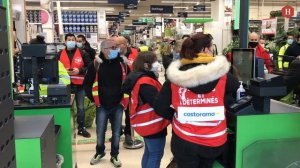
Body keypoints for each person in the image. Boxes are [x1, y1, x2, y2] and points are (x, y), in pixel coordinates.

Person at [153, 33, 239, 168]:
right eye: (211, 48)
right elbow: (236, 86)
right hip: (214, 140)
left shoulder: (175, 77)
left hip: (184, 139)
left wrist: (176, 116)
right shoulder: (223, 76)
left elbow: (159, 106)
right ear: (205, 50)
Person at [84, 39, 130, 167]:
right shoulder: (95, 65)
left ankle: (114, 155)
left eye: (116, 47)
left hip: (118, 105)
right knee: (100, 131)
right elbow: (87, 84)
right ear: (104, 50)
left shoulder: (123, 64)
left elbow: (129, 82)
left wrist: (124, 100)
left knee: (116, 133)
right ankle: (100, 152)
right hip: (102, 105)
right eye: (113, 47)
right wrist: (94, 100)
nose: (116, 49)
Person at [122, 51, 170, 168]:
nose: (158, 64)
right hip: (153, 124)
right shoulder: (145, 82)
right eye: (155, 62)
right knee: (156, 154)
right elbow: (157, 104)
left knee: (149, 153)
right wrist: (173, 115)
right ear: (146, 65)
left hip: (145, 123)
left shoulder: (137, 77)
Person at [59, 33, 91, 138]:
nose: (71, 41)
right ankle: (66, 129)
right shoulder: (59, 54)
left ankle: (81, 128)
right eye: (69, 39)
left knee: (80, 108)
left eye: (73, 39)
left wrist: (80, 70)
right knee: (65, 108)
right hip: (65, 86)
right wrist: (64, 71)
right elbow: (54, 67)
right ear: (65, 41)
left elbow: (89, 67)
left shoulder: (82, 53)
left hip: (80, 85)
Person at [115, 36, 143, 147]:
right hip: (116, 89)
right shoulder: (113, 55)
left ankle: (128, 134)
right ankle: (117, 132)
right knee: (116, 112)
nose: (116, 47)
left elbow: (141, 69)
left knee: (129, 112)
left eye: (118, 44)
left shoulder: (135, 53)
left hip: (131, 89)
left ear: (125, 44)